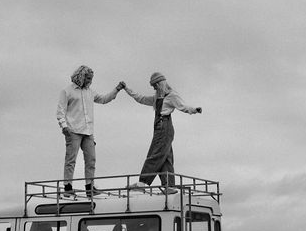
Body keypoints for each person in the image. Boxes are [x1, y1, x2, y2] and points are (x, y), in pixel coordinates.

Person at [122, 72, 201, 193]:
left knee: (155, 153)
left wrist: (194, 109)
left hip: (164, 126)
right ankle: (169, 185)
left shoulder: (171, 95)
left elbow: (183, 106)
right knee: (165, 157)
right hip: (160, 127)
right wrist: (127, 89)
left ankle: (143, 182)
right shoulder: (157, 98)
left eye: (155, 85)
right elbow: (141, 99)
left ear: (160, 84)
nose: (154, 88)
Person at [56, 65, 123, 194]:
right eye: (88, 78)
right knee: (71, 159)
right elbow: (60, 110)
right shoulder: (67, 91)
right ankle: (68, 187)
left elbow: (103, 99)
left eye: (91, 78)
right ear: (81, 76)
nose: (90, 81)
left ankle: (89, 187)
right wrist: (64, 126)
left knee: (91, 159)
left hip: (88, 131)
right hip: (73, 130)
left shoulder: (90, 92)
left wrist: (117, 89)